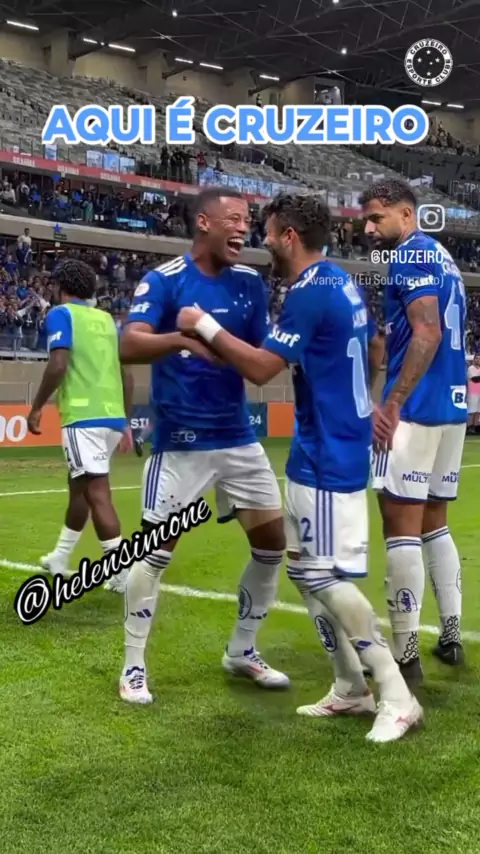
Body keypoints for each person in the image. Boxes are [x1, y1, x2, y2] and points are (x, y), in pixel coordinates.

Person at [177, 193, 423, 744]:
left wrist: (203, 325)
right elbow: (375, 347)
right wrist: (362, 401)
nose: (262, 240)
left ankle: (396, 693)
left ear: (289, 235)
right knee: (304, 570)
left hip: (329, 453)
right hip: (328, 443)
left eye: (267, 231)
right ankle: (350, 686)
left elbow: (263, 368)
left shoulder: (310, 291)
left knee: (321, 577)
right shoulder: (340, 281)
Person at [118, 187, 287, 704]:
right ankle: (133, 667)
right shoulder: (165, 279)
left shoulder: (249, 283)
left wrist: (216, 338)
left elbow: (258, 357)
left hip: (238, 437)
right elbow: (129, 343)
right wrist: (181, 340)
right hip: (181, 441)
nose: (243, 228)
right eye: (234, 218)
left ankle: (242, 649)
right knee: (154, 554)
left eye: (248, 220)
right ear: (204, 223)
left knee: (272, 547)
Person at [360, 178, 467, 687]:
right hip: (453, 406)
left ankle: (405, 657)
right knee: (435, 523)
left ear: (407, 214)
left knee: (399, 523)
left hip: (417, 410)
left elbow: (428, 331)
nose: (368, 228)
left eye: (376, 217)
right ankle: (451, 635)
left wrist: (394, 401)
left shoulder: (409, 256)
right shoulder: (443, 258)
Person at [27, 258, 133, 593]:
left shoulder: (61, 314)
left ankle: (121, 571)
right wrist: (126, 422)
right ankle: (60, 557)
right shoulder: (107, 320)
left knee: (97, 493)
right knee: (80, 488)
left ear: (60, 287)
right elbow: (127, 375)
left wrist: (37, 407)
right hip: (111, 417)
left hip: (83, 417)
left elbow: (58, 365)